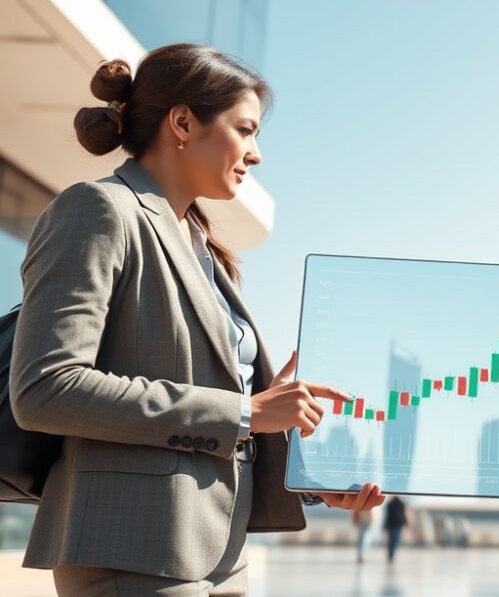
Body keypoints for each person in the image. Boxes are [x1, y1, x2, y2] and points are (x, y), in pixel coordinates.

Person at [9, 44, 386, 595]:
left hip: (220, 550)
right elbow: (46, 387)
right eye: (246, 129)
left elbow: (226, 426)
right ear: (183, 122)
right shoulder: (97, 210)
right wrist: (244, 410)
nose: (255, 154)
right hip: (131, 547)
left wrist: (307, 478)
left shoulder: (202, 246)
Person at [384, 496, 410, 563]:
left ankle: (391, 554)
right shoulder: (400, 503)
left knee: (392, 540)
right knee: (395, 540)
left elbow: (387, 516)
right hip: (396, 524)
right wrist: (406, 523)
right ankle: (391, 555)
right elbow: (404, 514)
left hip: (393, 524)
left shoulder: (391, 504)